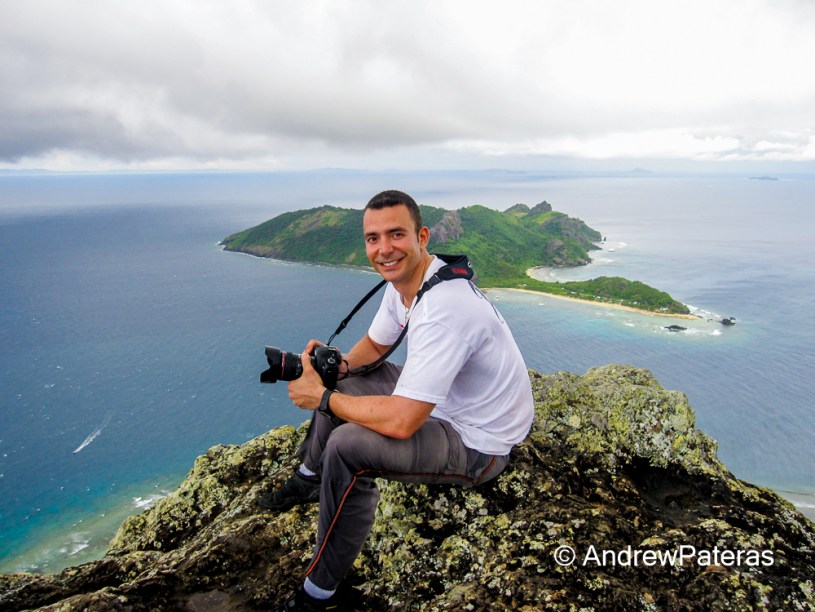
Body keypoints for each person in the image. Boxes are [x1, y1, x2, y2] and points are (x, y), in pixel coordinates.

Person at [262, 190, 534, 611]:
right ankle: (309, 477)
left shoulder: (445, 308)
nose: (384, 249)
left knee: (346, 446)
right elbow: (375, 345)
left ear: (421, 236)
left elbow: (404, 421)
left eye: (396, 234)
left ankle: (318, 594)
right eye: (373, 238)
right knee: (344, 382)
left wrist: (323, 397)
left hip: (480, 442)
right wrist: (335, 367)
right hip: (448, 406)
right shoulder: (407, 281)